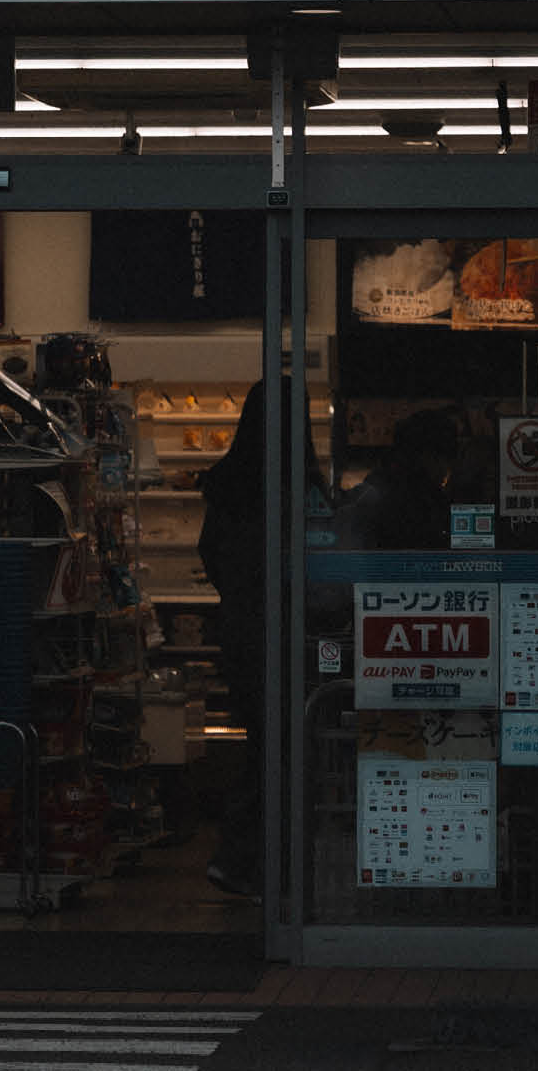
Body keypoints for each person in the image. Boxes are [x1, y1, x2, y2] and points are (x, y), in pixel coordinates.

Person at [196, 380, 328, 900]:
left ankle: (245, 857)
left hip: (244, 632)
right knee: (291, 747)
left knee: (264, 743)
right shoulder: (303, 485)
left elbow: (211, 551)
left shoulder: (229, 482)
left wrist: (240, 596)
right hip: (294, 633)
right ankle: (263, 861)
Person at [339, 406, 458, 552]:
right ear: (429, 457)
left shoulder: (375, 488)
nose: (447, 470)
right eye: (446, 459)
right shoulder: (423, 501)